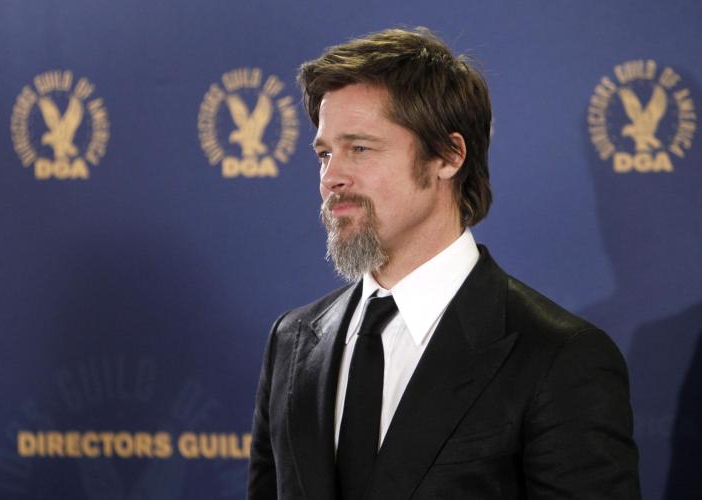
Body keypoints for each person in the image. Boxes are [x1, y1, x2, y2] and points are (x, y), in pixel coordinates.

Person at [248, 27, 640, 499]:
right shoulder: (291, 341)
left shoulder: (559, 357)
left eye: (360, 149)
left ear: (449, 156)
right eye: (325, 154)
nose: (331, 177)